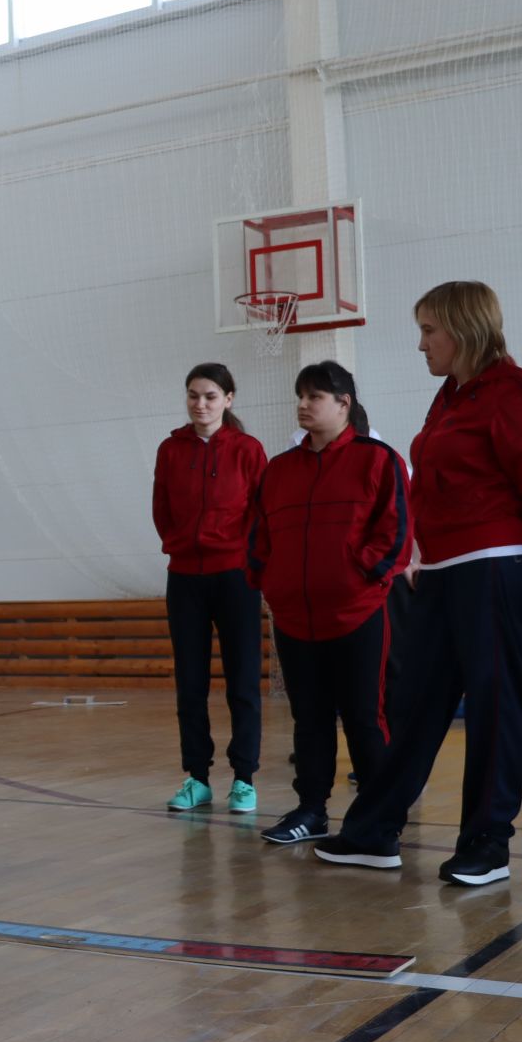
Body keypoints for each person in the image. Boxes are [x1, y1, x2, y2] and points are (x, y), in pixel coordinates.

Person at [316, 280, 522, 886]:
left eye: (429, 331)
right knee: (416, 703)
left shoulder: (511, 392)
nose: (421, 345)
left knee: (496, 702)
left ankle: (487, 843)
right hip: (443, 571)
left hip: (494, 565)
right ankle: (374, 830)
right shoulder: (450, 396)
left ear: (464, 329)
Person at [248, 362, 409, 844]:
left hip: (357, 613)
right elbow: (259, 537)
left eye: (315, 396)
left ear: (344, 403)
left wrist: (361, 575)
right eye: (301, 395)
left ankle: (379, 819)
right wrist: (269, 584)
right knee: (310, 719)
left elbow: (396, 534)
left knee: (364, 716)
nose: (303, 404)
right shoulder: (279, 471)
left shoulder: (378, 460)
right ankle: (311, 811)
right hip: (294, 618)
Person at [154, 363, 268, 816]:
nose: (200, 404)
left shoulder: (247, 450)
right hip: (184, 578)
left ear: (228, 399)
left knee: (242, 682)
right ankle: (197, 777)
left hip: (236, 577)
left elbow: (262, 513)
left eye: (210, 396)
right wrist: (178, 545)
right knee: (191, 684)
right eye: (193, 396)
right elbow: (161, 507)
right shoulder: (170, 449)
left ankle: (244, 779)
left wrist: (247, 559)